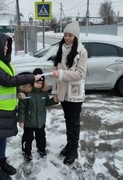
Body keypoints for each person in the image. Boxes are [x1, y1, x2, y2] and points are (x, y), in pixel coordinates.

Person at [0, 32, 41, 180]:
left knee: (3, 138)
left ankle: (2, 161)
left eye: (8, 46)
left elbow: (3, 86)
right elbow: (8, 80)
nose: (6, 48)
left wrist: (16, 94)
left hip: (5, 108)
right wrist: (31, 77)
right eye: (4, 46)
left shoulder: (1, 61)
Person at [51, 21, 88, 166]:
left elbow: (80, 74)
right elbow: (55, 74)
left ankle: (74, 149)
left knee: (74, 122)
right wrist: (55, 91)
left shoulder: (82, 52)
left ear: (75, 36)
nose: (67, 38)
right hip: (63, 93)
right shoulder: (60, 49)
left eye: (70, 35)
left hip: (75, 93)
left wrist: (60, 74)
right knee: (67, 120)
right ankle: (69, 144)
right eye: (65, 35)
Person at [18, 68, 58, 161]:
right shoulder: (26, 93)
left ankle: (41, 149)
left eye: (41, 83)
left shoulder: (43, 93)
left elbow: (47, 102)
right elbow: (21, 108)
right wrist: (21, 120)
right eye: (37, 83)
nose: (39, 85)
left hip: (40, 121)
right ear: (32, 81)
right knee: (28, 138)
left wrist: (54, 101)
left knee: (41, 136)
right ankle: (26, 151)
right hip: (29, 121)